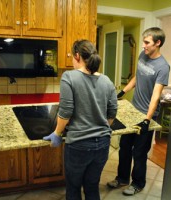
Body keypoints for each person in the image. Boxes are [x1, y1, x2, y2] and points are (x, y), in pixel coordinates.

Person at [43, 39, 118, 200]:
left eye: (72, 56)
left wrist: (57, 133)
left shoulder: (69, 77)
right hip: (103, 144)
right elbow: (112, 112)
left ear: (77, 56)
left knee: (74, 187)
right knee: (92, 186)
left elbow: (66, 111)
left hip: (79, 144)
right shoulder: (106, 80)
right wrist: (102, 126)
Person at [107, 27, 170, 196]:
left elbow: (156, 96)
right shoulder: (143, 56)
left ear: (158, 43)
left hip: (146, 115)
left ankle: (138, 183)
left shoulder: (163, 67)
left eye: (147, 42)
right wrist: (123, 91)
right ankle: (122, 178)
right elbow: (137, 76)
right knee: (124, 147)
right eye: (144, 42)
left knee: (139, 152)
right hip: (133, 110)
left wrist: (147, 120)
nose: (144, 46)